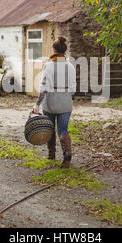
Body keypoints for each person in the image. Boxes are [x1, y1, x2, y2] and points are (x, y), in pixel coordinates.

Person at [32, 36, 76, 168]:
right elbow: (73, 88)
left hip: (50, 103)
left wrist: (37, 104)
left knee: (50, 129)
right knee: (63, 130)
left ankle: (51, 155)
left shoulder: (49, 66)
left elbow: (44, 87)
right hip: (66, 102)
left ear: (54, 49)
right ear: (64, 51)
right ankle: (67, 155)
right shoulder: (70, 66)